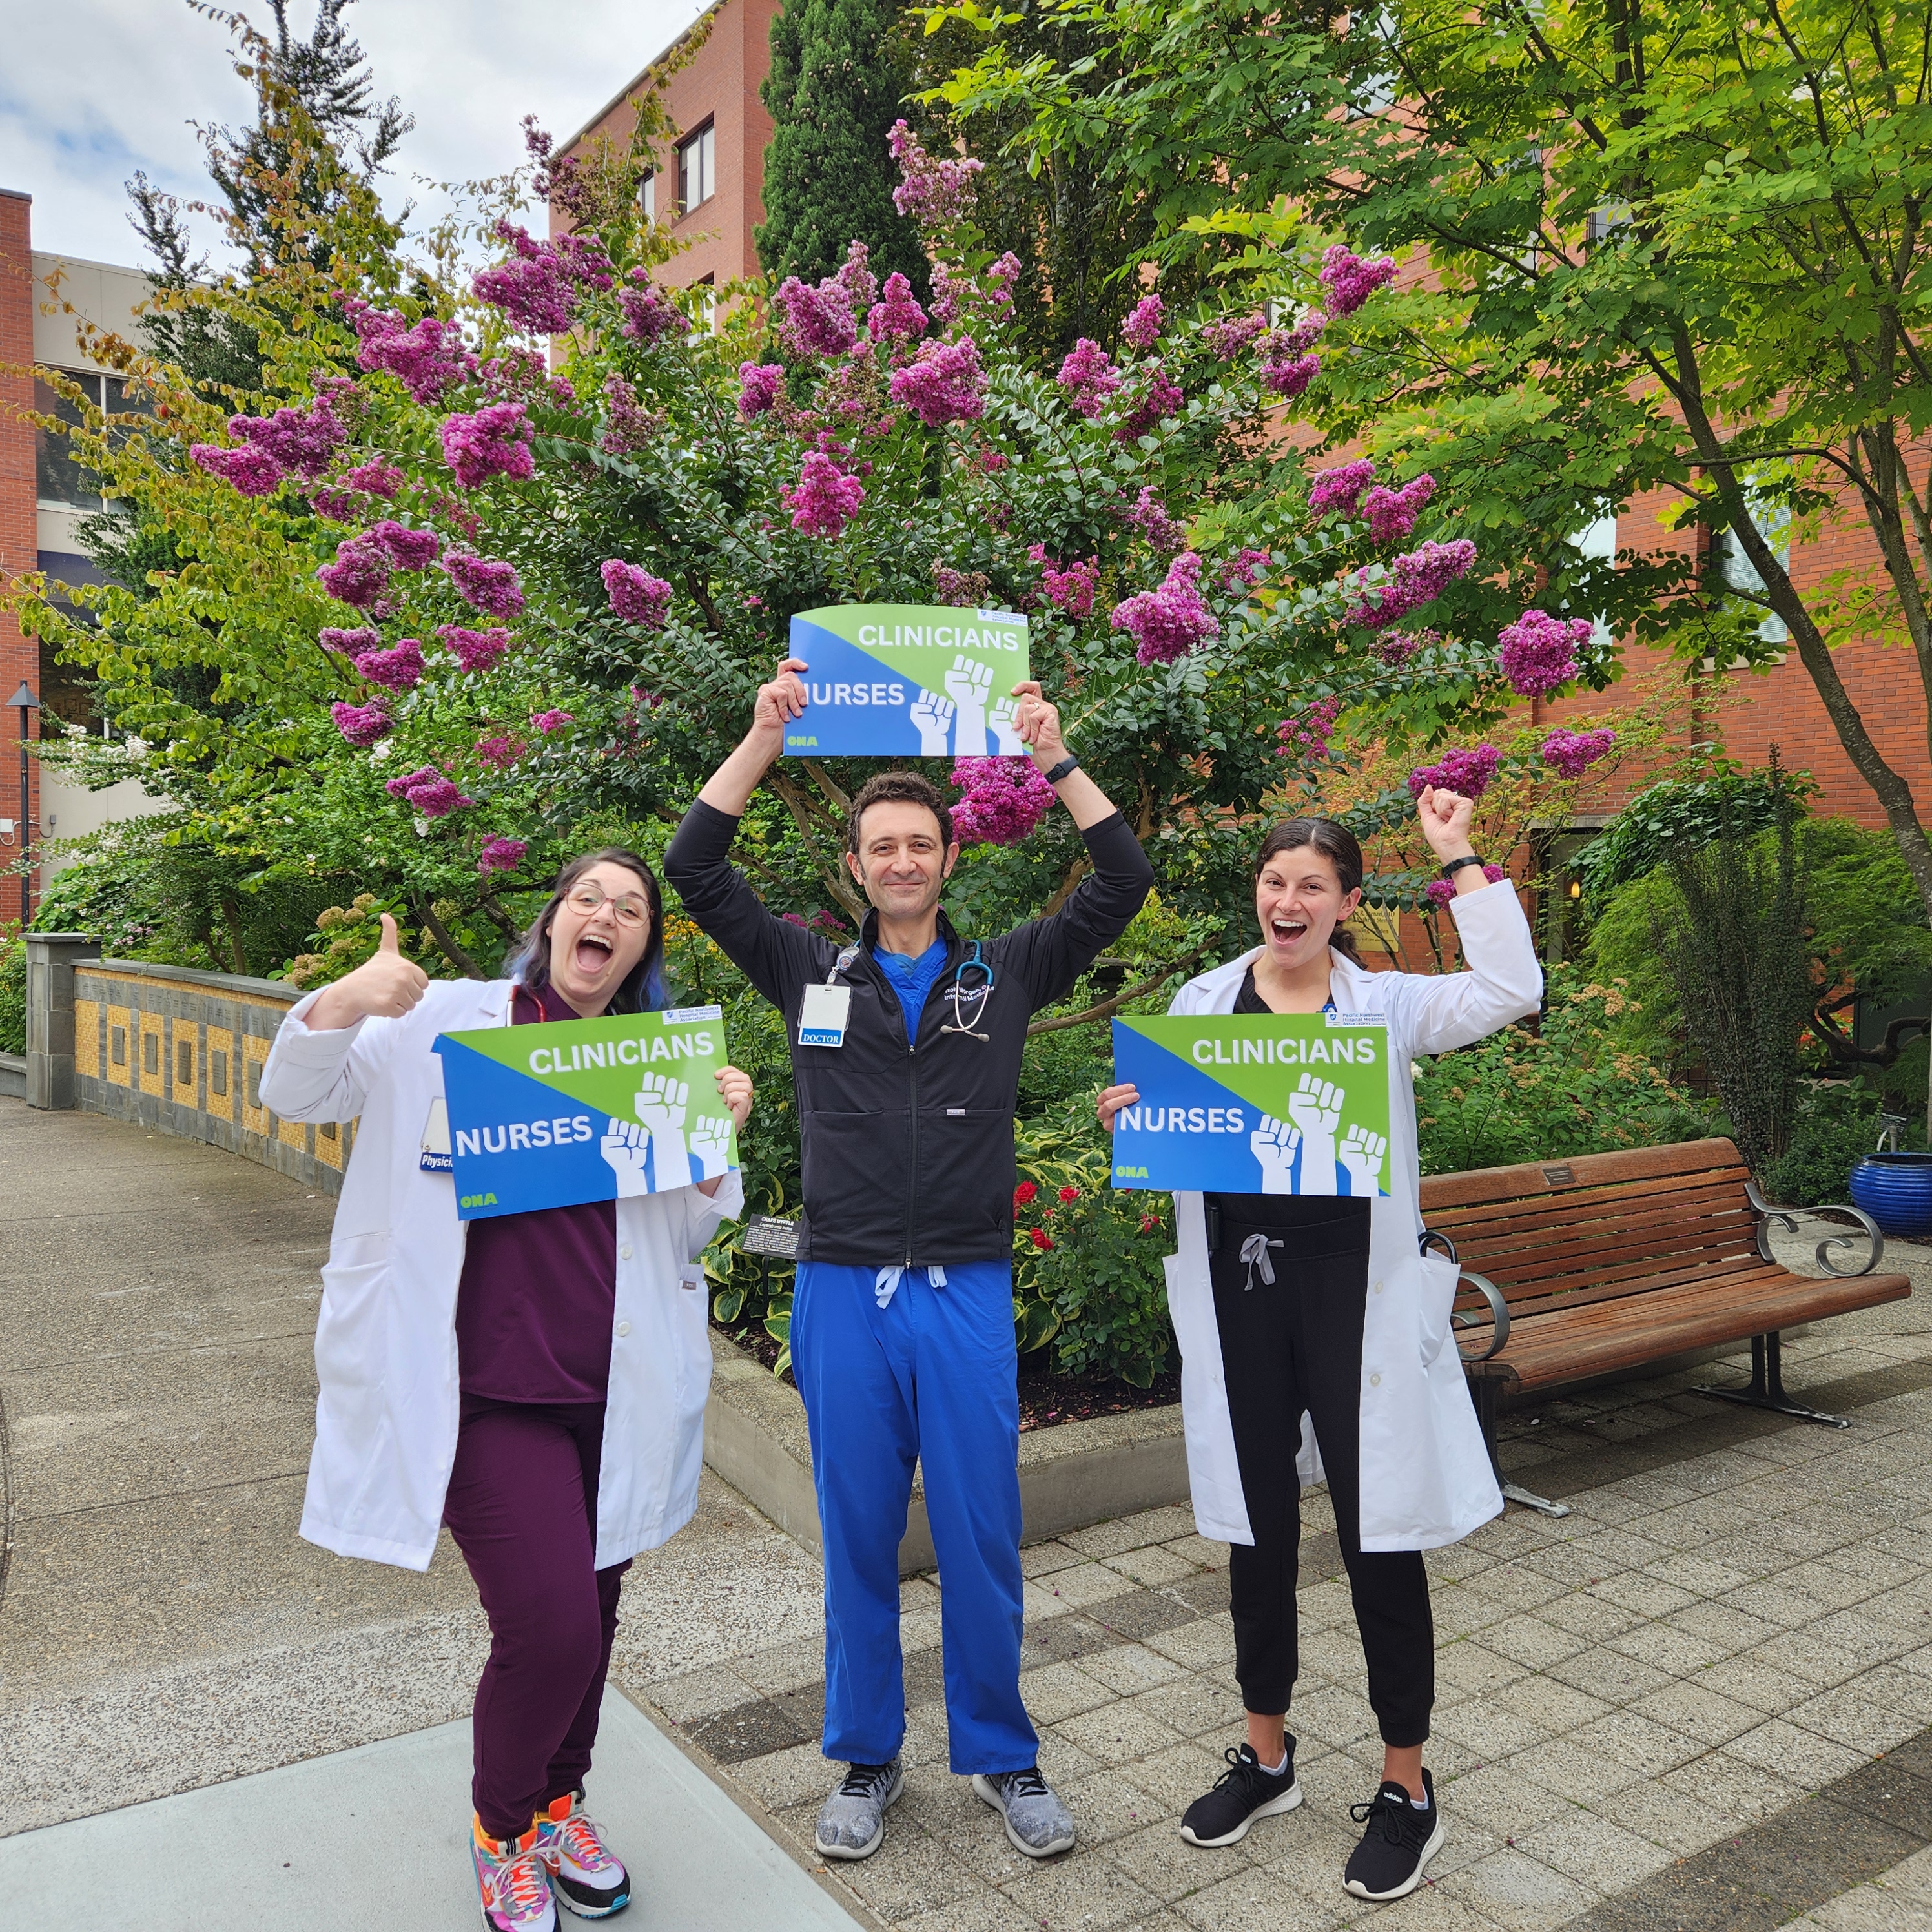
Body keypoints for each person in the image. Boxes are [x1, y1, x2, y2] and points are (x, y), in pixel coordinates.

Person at [663, 660, 1154, 1863]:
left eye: (917, 844)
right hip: (841, 1289)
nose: (899, 861)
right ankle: (866, 1757)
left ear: (946, 858)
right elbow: (693, 871)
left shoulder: (1007, 971)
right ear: (857, 867)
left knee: (984, 1532)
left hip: (969, 1290)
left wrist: (1053, 751)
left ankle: (1003, 1753)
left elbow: (1124, 879)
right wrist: (764, 736)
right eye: (879, 846)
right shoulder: (808, 970)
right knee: (858, 1530)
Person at [260, 850, 754, 1931]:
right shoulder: (442, 1021)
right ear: (552, 918)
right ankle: (502, 1828)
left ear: (641, 949)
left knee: (598, 1612)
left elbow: (687, 1224)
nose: (608, 918)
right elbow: (292, 1091)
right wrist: (347, 997)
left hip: (612, 1385)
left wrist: (719, 1146)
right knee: (552, 1627)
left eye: (631, 911)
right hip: (482, 1391)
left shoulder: (650, 1064)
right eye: (590, 899)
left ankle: (563, 1801)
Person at [1096, 790, 1541, 1902]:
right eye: (1274, 881)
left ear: (1345, 906)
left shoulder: (1383, 1006)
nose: (1287, 901)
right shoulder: (1203, 1002)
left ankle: (1407, 1786)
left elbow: (1511, 989)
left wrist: (1461, 855)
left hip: (1358, 1298)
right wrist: (1134, 1118)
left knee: (1378, 1538)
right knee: (1255, 1533)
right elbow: (1179, 1132)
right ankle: (1266, 1755)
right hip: (1245, 1292)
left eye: (1312, 887)